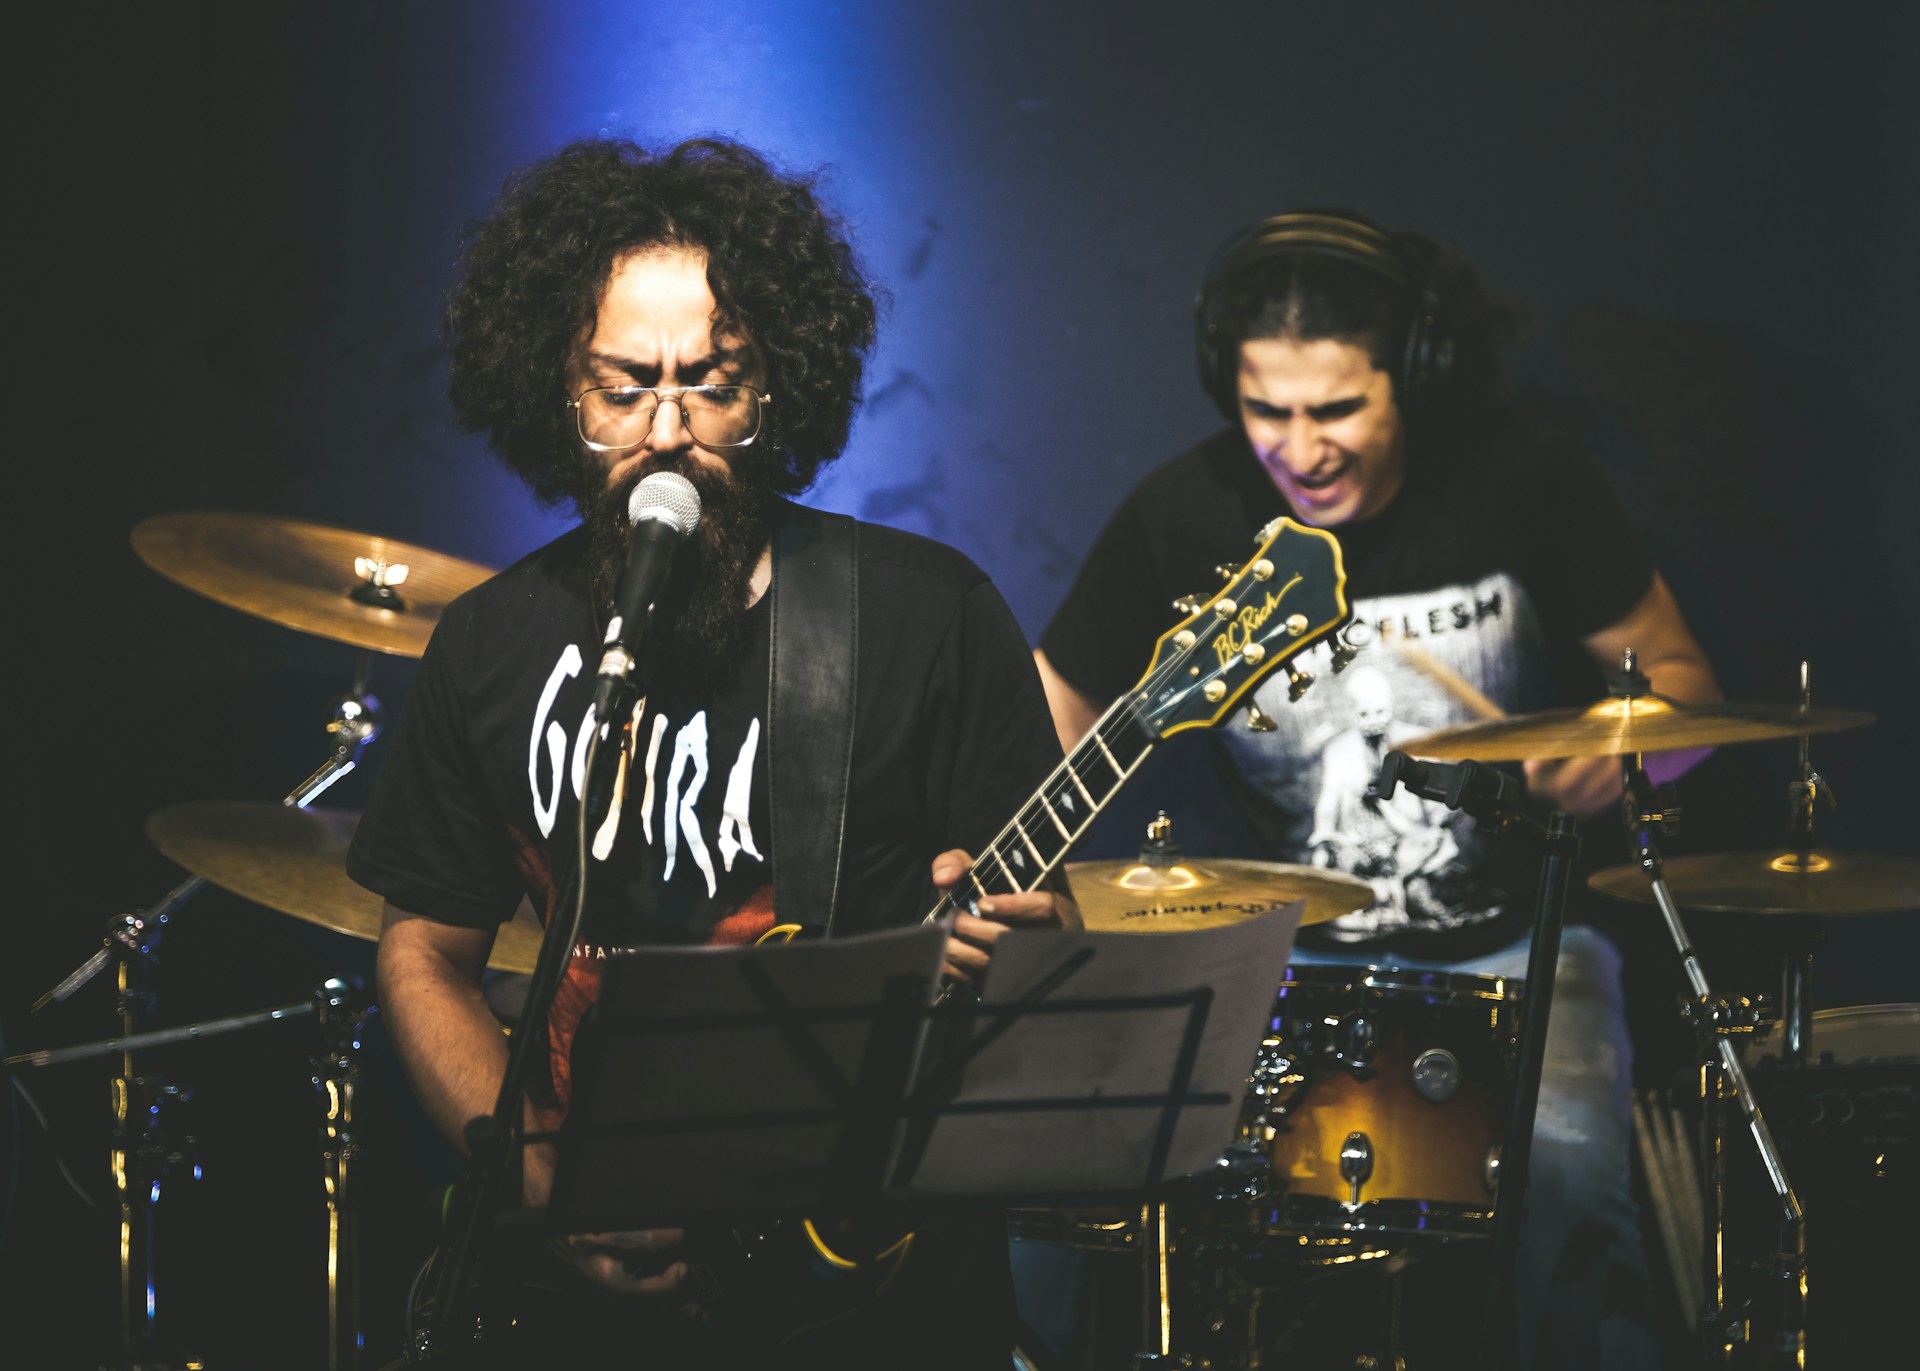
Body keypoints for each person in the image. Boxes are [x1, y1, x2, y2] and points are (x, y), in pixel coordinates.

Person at [346, 135, 1078, 1369]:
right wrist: (541, 1180)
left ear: (776, 391)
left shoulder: (926, 613)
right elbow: (423, 950)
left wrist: (1028, 949)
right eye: (621, 389)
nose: (667, 431)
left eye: (713, 385)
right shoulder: (490, 643)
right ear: (558, 394)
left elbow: (1035, 923)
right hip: (582, 1300)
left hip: (874, 1296)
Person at [1033, 209, 1722, 1369]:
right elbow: (1043, 729)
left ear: (1417, 379)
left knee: (1561, 1179)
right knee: (1079, 1171)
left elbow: (1691, 690)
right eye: (1268, 412)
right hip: (1281, 958)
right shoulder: (1185, 513)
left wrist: (1628, 749)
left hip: (1516, 948)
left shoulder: (1523, 477)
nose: (1300, 451)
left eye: (1338, 409)